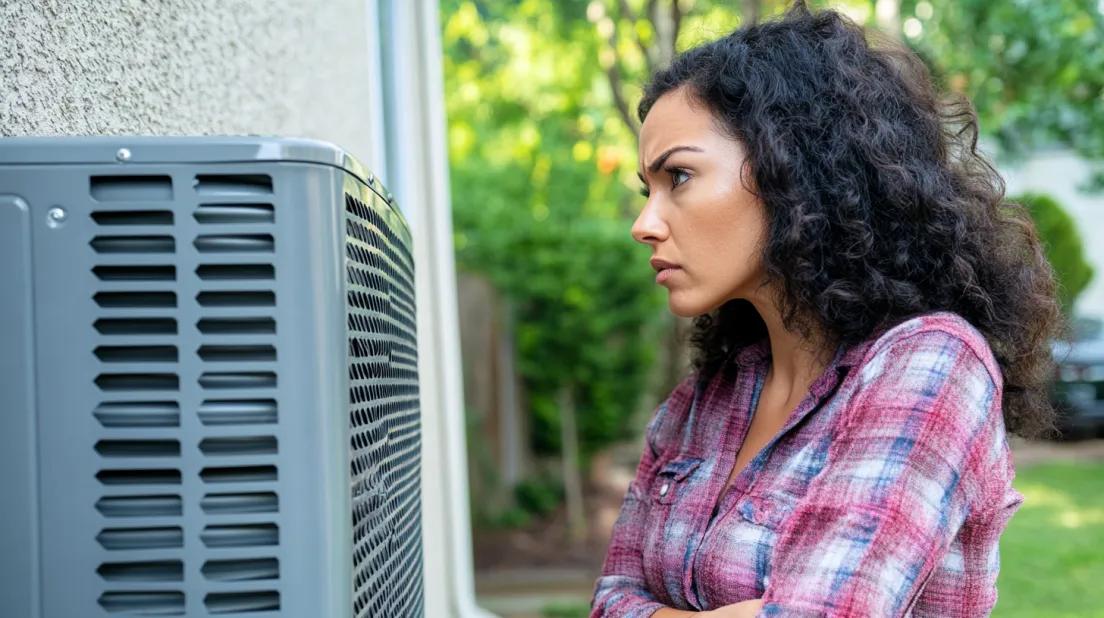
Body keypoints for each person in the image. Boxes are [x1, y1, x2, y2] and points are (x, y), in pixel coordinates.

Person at [589, 2, 1065, 617]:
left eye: (678, 176)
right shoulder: (702, 403)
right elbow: (607, 600)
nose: (644, 224)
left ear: (794, 165)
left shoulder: (931, 366)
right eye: (645, 189)